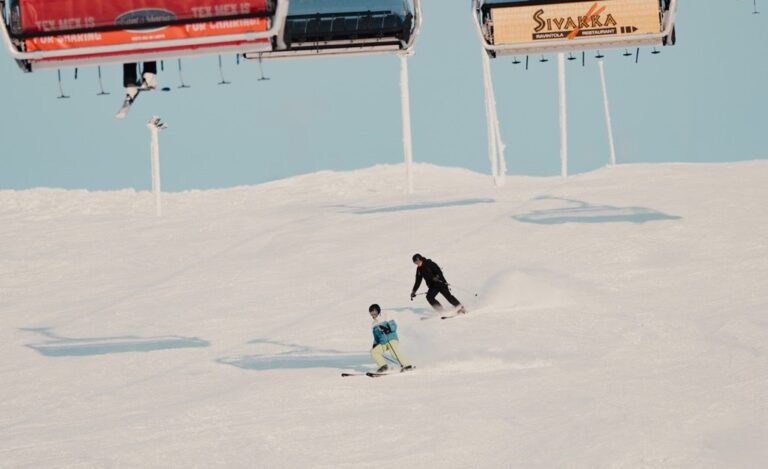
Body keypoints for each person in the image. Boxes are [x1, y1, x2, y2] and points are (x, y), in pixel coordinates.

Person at [368, 304, 412, 373]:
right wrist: (375, 345)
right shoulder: (374, 324)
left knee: (394, 353)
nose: (373, 314)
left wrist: (388, 329)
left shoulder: (385, 316)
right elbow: (376, 337)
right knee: (374, 352)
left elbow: (394, 325)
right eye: (371, 313)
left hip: (391, 339)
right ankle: (383, 366)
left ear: (378, 311)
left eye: (374, 312)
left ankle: (407, 365)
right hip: (383, 342)